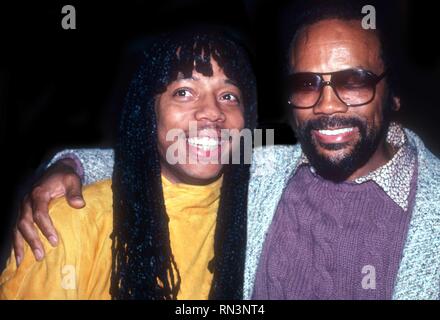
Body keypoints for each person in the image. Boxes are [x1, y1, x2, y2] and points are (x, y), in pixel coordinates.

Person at [8, 1, 440, 300]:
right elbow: (160, 156)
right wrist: (69, 164)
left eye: (354, 80)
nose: (327, 104)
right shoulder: (271, 168)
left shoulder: (431, 208)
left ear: (394, 94)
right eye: (306, 84)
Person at [0, 28, 257, 299]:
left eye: (229, 96)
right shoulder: (69, 221)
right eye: (184, 92)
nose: (212, 112)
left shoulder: (266, 215)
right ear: (149, 113)